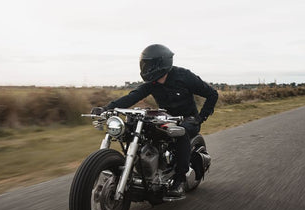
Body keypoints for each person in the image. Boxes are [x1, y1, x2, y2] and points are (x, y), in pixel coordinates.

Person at [92, 44, 218, 198]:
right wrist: (106, 108)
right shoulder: (152, 83)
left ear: (161, 63)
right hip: (166, 118)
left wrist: (200, 117)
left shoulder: (184, 76)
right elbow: (133, 96)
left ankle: (179, 181)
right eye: (144, 64)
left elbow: (212, 94)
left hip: (188, 119)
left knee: (181, 134)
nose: (145, 67)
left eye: (148, 64)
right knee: (138, 130)